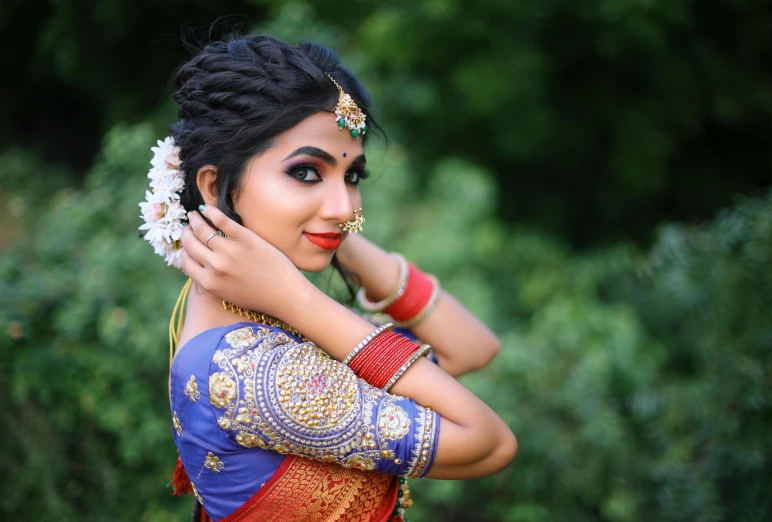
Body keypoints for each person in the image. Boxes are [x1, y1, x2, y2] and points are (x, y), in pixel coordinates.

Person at [140, 34, 517, 522]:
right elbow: (489, 443)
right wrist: (300, 297)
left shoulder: (280, 330)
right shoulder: (250, 371)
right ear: (213, 186)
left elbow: (472, 348)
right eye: (306, 172)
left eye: (352, 176)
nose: (345, 206)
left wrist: (339, 237)